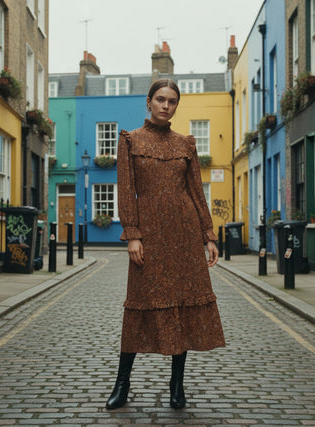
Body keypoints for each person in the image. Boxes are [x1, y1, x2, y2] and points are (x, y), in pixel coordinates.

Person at [106, 78, 225, 410]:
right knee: (138, 304)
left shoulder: (185, 144)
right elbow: (125, 191)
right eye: (160, 99)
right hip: (149, 237)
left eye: (172, 101)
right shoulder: (130, 140)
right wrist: (132, 233)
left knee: (183, 307)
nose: (165, 106)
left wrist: (209, 235)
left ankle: (177, 385)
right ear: (148, 101)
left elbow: (197, 194)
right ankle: (122, 383)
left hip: (185, 237)